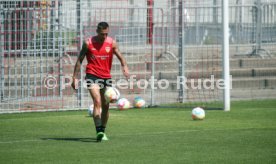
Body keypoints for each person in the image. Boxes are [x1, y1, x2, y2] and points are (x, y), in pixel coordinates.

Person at [71, 22, 129, 142]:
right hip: (92, 75)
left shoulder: (111, 43)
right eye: (102, 34)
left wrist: (124, 66)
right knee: (97, 101)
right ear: (97, 31)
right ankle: (98, 131)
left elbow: (120, 56)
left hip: (106, 77)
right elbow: (79, 60)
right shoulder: (88, 43)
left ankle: (102, 131)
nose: (104, 36)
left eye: (106, 34)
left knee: (106, 106)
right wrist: (74, 77)